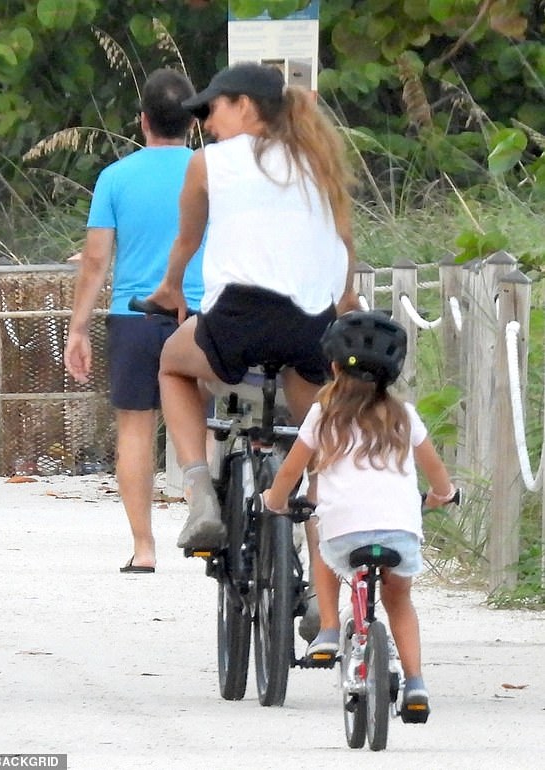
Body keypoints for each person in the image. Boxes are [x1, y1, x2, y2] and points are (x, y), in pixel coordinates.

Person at [146, 62, 359, 565]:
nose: (207, 124)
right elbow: (345, 243)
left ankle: (199, 492)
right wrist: (346, 301)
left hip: (236, 320)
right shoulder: (319, 161)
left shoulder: (209, 163)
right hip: (311, 324)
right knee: (317, 444)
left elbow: (187, 240)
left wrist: (170, 288)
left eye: (213, 110)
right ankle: (319, 589)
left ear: (244, 104)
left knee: (172, 365)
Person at [262, 310, 456, 722]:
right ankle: (416, 682)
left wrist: (275, 501)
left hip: (344, 530)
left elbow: (291, 472)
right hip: (401, 531)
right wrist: (443, 495)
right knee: (399, 600)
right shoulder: (404, 416)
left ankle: (329, 629)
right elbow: (437, 473)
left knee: (323, 540)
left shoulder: (323, 413)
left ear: (332, 366)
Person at [64, 69, 204, 574]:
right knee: (212, 423)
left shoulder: (115, 178)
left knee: (135, 430)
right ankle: (209, 522)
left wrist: (78, 328)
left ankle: (144, 548)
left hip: (135, 316)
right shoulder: (210, 171)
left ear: (143, 121)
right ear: (193, 122)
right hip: (200, 313)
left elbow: (97, 260)